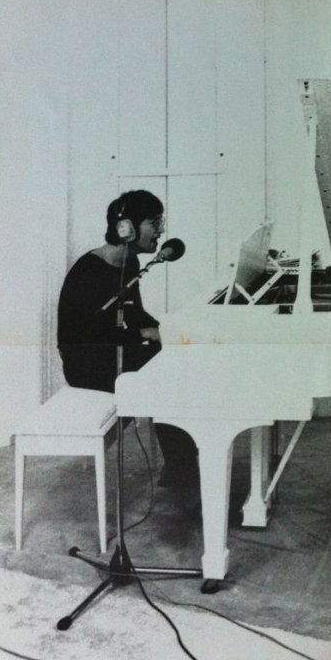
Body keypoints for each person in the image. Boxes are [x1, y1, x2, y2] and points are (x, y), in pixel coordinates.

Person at [57, 189, 197, 485]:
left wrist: (168, 330)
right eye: (154, 222)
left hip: (112, 353)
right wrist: (143, 334)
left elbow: (135, 315)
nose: (160, 231)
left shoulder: (130, 263)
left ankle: (181, 463)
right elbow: (86, 335)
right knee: (163, 372)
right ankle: (182, 467)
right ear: (127, 228)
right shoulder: (89, 270)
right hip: (86, 364)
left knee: (173, 359)